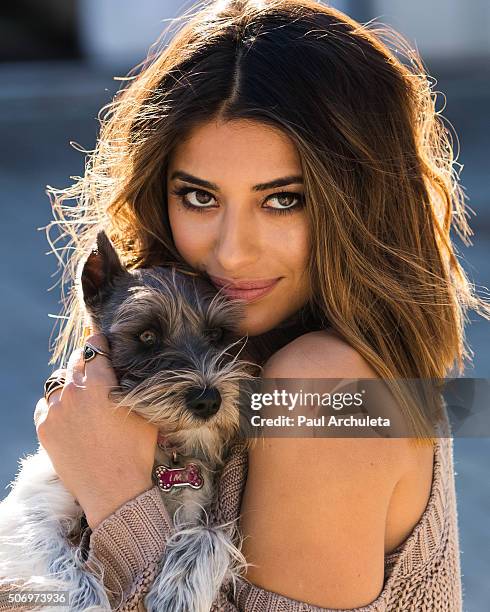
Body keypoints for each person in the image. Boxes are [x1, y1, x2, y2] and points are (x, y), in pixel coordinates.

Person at [22, 0, 490, 609]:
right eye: (197, 196)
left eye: (282, 201)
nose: (233, 253)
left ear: (364, 207)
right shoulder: (286, 370)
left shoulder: (320, 389)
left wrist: (116, 494)